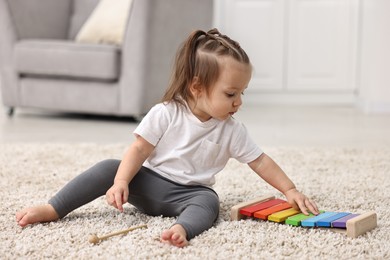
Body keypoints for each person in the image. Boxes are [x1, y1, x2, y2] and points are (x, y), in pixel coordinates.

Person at [16, 28, 319, 247]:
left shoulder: (231, 130)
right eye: (230, 94)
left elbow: (260, 161)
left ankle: (181, 229)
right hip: (149, 183)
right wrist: (122, 181)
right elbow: (139, 148)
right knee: (109, 168)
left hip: (188, 196)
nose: (239, 102)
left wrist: (289, 189)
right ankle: (54, 208)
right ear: (197, 87)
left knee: (210, 203)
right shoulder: (166, 113)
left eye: (242, 93)